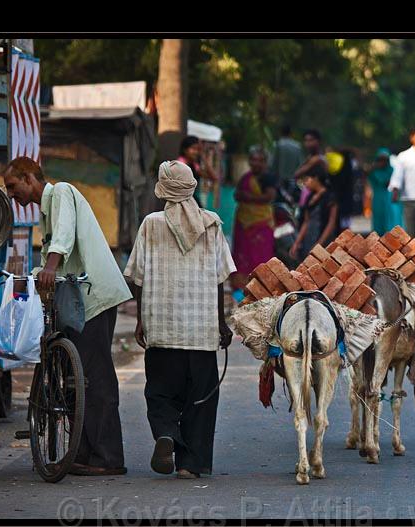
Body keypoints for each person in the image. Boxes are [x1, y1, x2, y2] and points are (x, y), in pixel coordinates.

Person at [3, 156, 132, 476]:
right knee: (77, 380)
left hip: (94, 297)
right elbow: (51, 255)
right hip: (75, 300)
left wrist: (48, 267)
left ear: (30, 177)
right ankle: (85, 452)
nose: (11, 194)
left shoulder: (60, 192)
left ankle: (108, 458)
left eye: (12, 186)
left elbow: (64, 237)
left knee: (96, 378)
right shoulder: (45, 214)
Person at [124, 160, 236, 480]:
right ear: (192, 187)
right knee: (201, 398)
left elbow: (138, 278)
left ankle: (166, 433)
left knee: (160, 392)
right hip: (201, 331)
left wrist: (141, 320)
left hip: (162, 325)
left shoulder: (151, 223)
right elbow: (220, 279)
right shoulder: (212, 223)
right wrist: (221, 322)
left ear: (162, 189)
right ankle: (191, 464)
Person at [231, 147, 278, 302]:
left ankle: (261, 291)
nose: (256, 163)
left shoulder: (268, 178)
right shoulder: (245, 178)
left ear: (265, 163)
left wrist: (248, 197)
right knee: (241, 255)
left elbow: (269, 197)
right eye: (253, 160)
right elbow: (236, 194)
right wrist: (242, 196)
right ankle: (240, 292)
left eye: (260, 160)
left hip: (261, 224)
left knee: (260, 257)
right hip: (243, 223)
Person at [290, 166, 339, 262]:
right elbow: (306, 222)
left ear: (316, 178)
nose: (305, 183)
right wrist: (297, 243)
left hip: (324, 239)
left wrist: (319, 244)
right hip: (309, 239)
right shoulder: (310, 197)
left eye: (307, 179)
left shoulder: (330, 197)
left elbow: (331, 223)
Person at [368, 148, 403, 235]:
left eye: (384, 160)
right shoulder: (373, 171)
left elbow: (390, 182)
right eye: (380, 159)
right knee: (378, 223)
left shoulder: (392, 170)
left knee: (392, 223)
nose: (382, 162)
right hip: (378, 200)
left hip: (391, 199)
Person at [178, 135, 219, 208]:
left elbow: (214, 177)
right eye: (193, 149)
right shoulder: (180, 164)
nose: (196, 152)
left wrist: (203, 156)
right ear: (185, 149)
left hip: (190, 200)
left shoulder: (194, 165)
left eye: (198, 149)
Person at [269, 124, 303, 204]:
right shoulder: (297, 146)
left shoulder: (277, 145)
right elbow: (300, 164)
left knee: (278, 205)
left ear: (280, 133)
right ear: (291, 133)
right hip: (293, 182)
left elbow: (272, 164)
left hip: (279, 182)